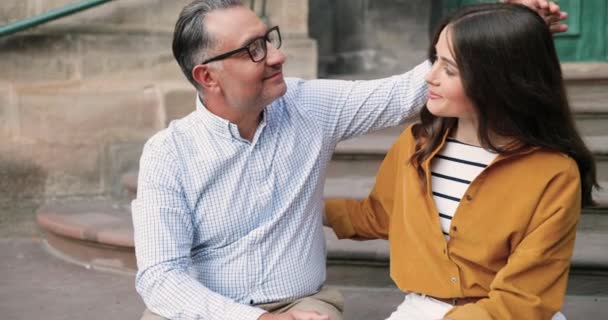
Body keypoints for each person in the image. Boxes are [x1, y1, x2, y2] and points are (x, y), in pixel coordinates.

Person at [131, 1, 567, 319]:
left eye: (269, 39)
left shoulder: (310, 106)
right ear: (208, 77)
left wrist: (501, 31)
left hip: (300, 306)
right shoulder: (168, 155)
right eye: (254, 50)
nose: (277, 55)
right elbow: (160, 277)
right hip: (202, 310)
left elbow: (406, 91)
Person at [324, 3, 597, 320]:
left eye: (449, 69)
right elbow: (382, 215)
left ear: (499, 81)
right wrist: (307, 207)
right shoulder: (415, 146)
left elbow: (523, 300)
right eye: (435, 59)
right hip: (422, 308)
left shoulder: (554, 174)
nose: (430, 76)